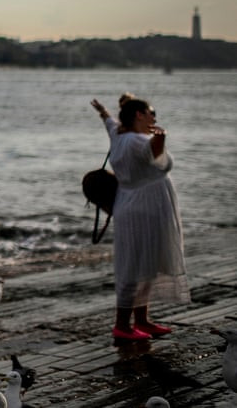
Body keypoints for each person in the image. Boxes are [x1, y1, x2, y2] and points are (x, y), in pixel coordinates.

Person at [91, 94, 190, 341]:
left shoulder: (118, 134)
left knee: (142, 263)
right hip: (145, 208)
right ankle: (122, 326)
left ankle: (141, 320)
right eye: (151, 113)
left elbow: (109, 122)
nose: (154, 117)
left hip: (130, 205)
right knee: (135, 266)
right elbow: (152, 153)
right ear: (139, 115)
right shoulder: (137, 141)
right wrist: (161, 137)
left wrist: (103, 111)